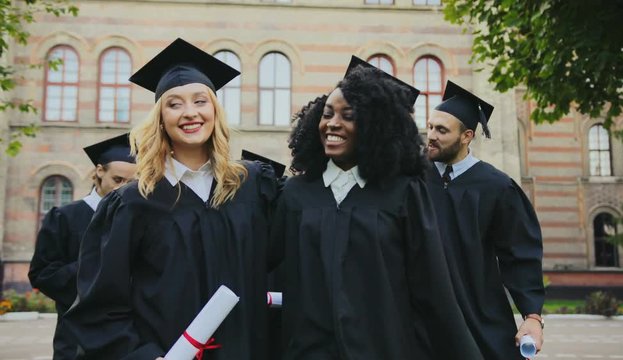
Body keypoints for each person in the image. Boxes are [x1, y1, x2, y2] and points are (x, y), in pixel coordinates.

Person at [65, 38, 278, 360]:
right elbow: (101, 305)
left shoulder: (251, 186)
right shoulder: (133, 203)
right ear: (160, 117)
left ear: (215, 110)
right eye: (174, 104)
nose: (189, 113)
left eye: (200, 101)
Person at [271, 56, 482, 359]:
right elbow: (272, 271)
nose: (333, 123)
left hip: (385, 348)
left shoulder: (402, 193)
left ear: (375, 125)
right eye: (327, 113)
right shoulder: (296, 195)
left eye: (348, 115)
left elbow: (433, 288)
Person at [424, 80, 545, 359]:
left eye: (441, 130)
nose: (430, 135)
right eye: (430, 126)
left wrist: (532, 316)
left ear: (467, 136)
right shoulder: (413, 179)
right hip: (421, 318)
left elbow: (520, 255)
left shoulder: (497, 187)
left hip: (478, 313)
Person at [28, 133, 136, 360]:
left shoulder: (138, 218)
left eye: (131, 183)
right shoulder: (65, 217)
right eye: (118, 180)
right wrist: (95, 269)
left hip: (129, 337)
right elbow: (42, 273)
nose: (123, 189)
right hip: (75, 336)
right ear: (99, 171)